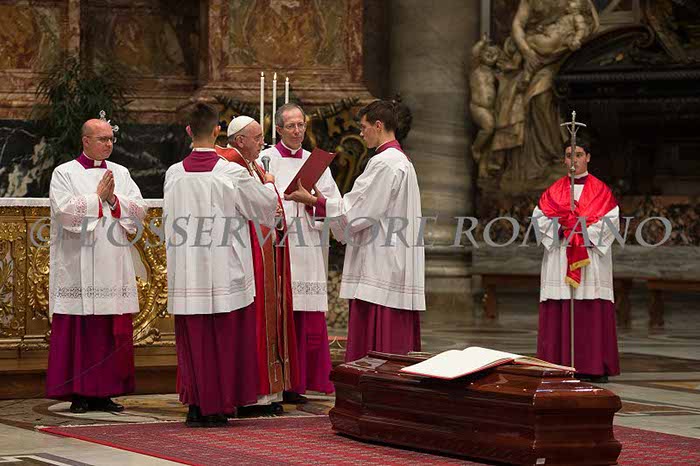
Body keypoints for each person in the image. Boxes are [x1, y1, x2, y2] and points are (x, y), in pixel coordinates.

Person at [164, 103, 278, 426]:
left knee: (195, 341)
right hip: (224, 270)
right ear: (218, 131)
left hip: (189, 271)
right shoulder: (232, 173)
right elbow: (265, 208)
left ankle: (196, 405)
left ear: (188, 130)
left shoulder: (174, 174)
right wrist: (269, 183)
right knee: (224, 339)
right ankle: (218, 406)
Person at [286, 100, 425, 362]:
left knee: (376, 352)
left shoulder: (385, 163)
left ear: (378, 125)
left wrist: (315, 202)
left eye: (363, 127)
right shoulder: (401, 160)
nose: (361, 133)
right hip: (393, 259)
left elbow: (358, 212)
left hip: (379, 264)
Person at [47, 117, 146, 414]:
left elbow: (139, 210)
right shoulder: (64, 173)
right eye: (102, 139)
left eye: (111, 139)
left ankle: (105, 392)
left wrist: (114, 199)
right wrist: (96, 198)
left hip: (112, 262)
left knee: (107, 330)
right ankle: (79, 392)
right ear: (85, 141)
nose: (108, 144)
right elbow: (64, 212)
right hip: (78, 262)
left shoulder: (121, 173)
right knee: (80, 329)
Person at [216, 115, 300, 414]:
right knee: (255, 321)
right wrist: (270, 186)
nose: (263, 143)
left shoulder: (250, 166)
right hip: (248, 251)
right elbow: (263, 206)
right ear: (240, 140)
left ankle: (267, 392)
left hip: (262, 247)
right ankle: (253, 395)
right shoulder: (233, 167)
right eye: (257, 138)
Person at [261, 103, 341, 402]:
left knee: (306, 315)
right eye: (291, 126)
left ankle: (302, 381)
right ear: (278, 129)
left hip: (307, 245)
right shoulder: (266, 160)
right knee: (281, 313)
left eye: (301, 125)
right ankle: (280, 380)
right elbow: (259, 199)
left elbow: (333, 203)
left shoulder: (315, 163)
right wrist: (284, 204)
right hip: (278, 243)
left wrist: (312, 202)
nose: (297, 131)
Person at [532, 142, 620, 383]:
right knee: (560, 305)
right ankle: (556, 364)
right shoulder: (553, 192)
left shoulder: (601, 191)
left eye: (579, 155)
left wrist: (579, 232)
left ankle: (592, 366)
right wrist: (563, 228)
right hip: (560, 257)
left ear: (588, 157)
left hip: (590, 260)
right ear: (564, 160)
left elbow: (610, 223)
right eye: (569, 155)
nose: (574, 160)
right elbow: (539, 220)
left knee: (590, 306)